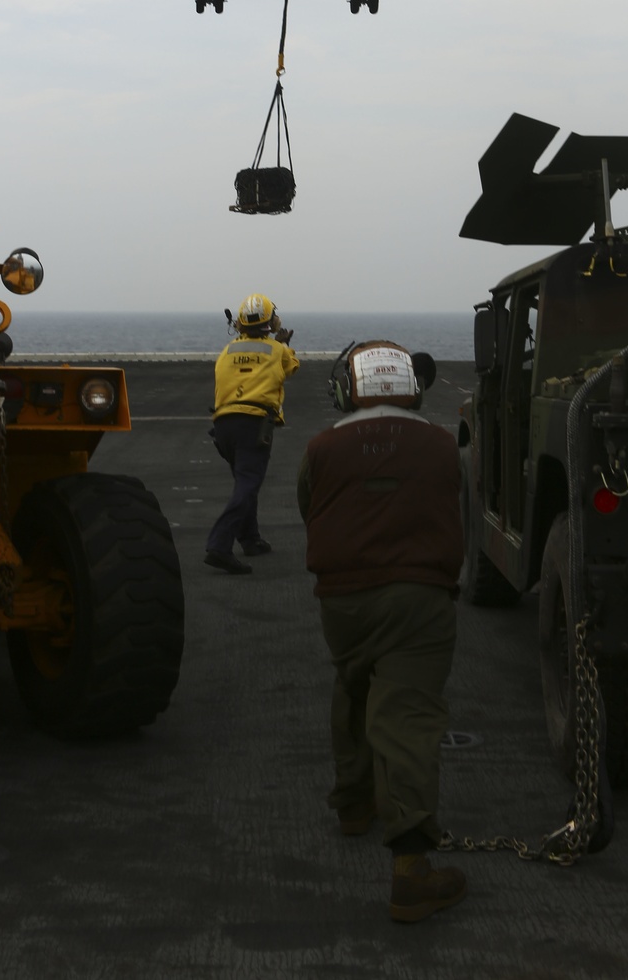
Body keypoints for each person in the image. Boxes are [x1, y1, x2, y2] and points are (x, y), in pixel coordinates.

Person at [297, 340, 466, 923]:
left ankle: (352, 805)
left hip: (342, 603)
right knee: (407, 719)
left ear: (349, 389)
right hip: (419, 600)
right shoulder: (442, 445)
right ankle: (413, 872)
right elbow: (457, 505)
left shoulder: (322, 447)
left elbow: (308, 506)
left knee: (354, 682)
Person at [205, 294, 299, 575]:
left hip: (223, 425)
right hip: (254, 424)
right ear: (272, 322)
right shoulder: (277, 349)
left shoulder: (227, 350)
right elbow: (292, 367)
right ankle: (219, 546)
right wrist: (284, 345)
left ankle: (250, 539)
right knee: (248, 484)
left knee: (244, 481)